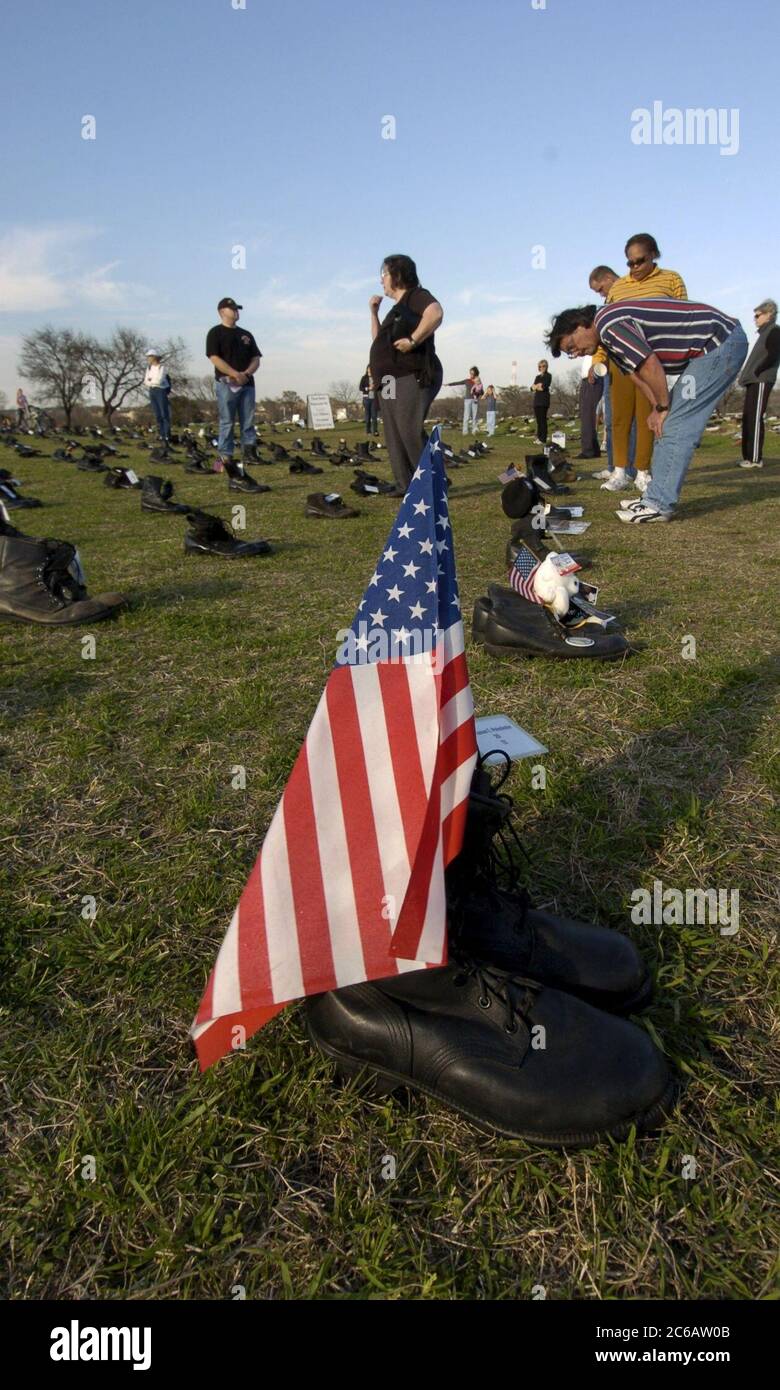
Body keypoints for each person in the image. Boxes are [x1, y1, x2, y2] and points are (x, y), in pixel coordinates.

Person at [547, 297, 747, 524]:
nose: (577, 353)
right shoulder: (607, 341)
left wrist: (662, 407)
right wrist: (657, 408)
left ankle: (659, 503)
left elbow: (650, 364)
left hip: (720, 343)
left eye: (571, 347)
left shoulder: (608, 324)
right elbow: (638, 378)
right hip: (711, 348)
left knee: (677, 425)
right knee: (667, 421)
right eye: (571, 353)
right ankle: (653, 496)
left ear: (579, 325)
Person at [588, 238, 687, 495]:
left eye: (640, 260)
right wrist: (598, 360)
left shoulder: (671, 280)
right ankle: (620, 471)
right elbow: (605, 328)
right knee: (618, 417)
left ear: (654, 254)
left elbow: (683, 318)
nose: (634, 267)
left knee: (647, 417)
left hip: (652, 362)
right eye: (629, 262)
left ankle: (643, 471)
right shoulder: (618, 288)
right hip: (620, 361)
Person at [368, 254, 444, 494]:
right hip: (388, 379)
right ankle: (406, 484)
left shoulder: (415, 296)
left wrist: (413, 340)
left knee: (408, 429)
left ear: (398, 275)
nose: (381, 280)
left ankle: (432, 483)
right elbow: (379, 341)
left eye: (384, 274)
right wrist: (374, 313)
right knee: (393, 433)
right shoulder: (396, 310)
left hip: (411, 374)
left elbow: (436, 313)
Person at [206, 297, 262, 464]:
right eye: (233, 309)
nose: (236, 312)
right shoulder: (215, 332)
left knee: (248, 420)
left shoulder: (246, 334)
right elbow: (214, 358)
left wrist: (246, 373)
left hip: (247, 384)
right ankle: (225, 455)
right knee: (227, 420)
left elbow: (256, 358)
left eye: (237, 309)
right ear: (222, 312)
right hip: (226, 383)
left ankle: (250, 452)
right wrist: (235, 374)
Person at [738, 298, 780, 469]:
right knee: (748, 418)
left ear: (769, 314)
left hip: (761, 380)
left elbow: (774, 354)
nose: (755, 319)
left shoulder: (774, 331)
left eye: (757, 315)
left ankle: (755, 459)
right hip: (753, 381)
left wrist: (758, 371)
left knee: (755, 418)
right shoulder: (764, 333)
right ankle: (748, 458)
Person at [577, 355, 604, 458]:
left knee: (588, 415)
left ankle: (588, 450)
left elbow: (600, 357)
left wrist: (593, 370)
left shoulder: (597, 348)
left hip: (593, 379)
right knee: (587, 415)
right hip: (586, 380)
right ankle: (594, 449)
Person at [144, 350, 172, 443]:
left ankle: (167, 435)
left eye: (149, 356)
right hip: (152, 390)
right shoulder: (149, 368)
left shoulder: (162, 367)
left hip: (161, 391)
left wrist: (151, 380)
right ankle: (161, 434)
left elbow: (159, 380)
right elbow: (146, 381)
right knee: (157, 414)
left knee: (164, 413)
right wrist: (152, 381)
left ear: (154, 357)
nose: (148, 359)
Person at [530, 360, 551, 443]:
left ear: (546, 367)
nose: (542, 368)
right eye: (540, 366)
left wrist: (537, 386)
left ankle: (543, 439)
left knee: (543, 420)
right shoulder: (537, 377)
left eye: (543, 366)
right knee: (538, 421)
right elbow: (531, 388)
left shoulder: (548, 376)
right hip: (537, 400)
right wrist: (537, 386)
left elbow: (543, 387)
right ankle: (539, 438)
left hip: (544, 400)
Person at [358, 365, 379, 436]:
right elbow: (360, 388)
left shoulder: (375, 377)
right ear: (367, 369)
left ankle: (375, 431)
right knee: (368, 416)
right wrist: (368, 388)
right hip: (366, 398)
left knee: (374, 416)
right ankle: (368, 431)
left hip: (374, 398)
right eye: (369, 369)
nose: (370, 370)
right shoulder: (364, 378)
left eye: (371, 369)